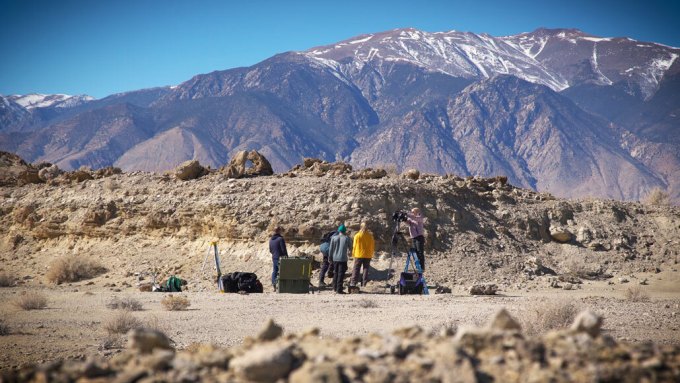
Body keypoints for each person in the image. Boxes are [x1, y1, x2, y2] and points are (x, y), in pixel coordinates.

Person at [328, 224, 351, 294]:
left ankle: (334, 288)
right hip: (343, 259)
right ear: (344, 231)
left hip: (335, 258)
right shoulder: (347, 238)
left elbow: (331, 249)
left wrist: (330, 258)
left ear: (338, 230)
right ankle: (339, 289)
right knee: (341, 274)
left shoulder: (333, 238)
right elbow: (351, 247)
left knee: (335, 273)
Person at [351, 222, 374, 287]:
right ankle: (364, 283)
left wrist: (353, 254)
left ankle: (353, 282)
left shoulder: (357, 235)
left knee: (356, 268)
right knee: (366, 269)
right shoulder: (370, 236)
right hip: (367, 255)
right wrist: (371, 254)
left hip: (358, 254)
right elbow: (372, 246)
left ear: (360, 227)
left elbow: (354, 246)